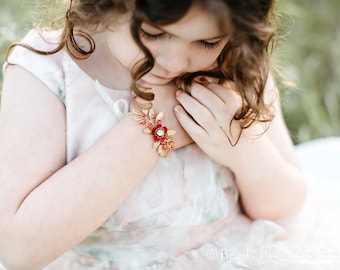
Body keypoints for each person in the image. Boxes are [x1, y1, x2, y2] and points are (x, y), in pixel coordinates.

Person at [0, 0, 339, 269]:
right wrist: (151, 130)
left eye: (207, 41)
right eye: (152, 33)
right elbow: (18, 250)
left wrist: (243, 149)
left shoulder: (235, 61)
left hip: (234, 253)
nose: (176, 62)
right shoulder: (49, 73)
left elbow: (288, 207)